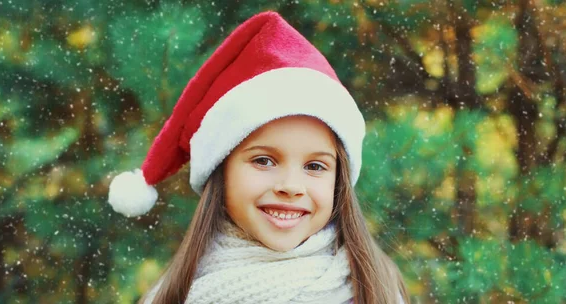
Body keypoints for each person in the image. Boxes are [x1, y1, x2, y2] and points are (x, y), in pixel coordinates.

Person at [107, 11, 409, 304]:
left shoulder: (373, 291)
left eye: (315, 166)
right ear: (221, 170)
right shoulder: (178, 293)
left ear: (338, 181)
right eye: (263, 161)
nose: (291, 186)